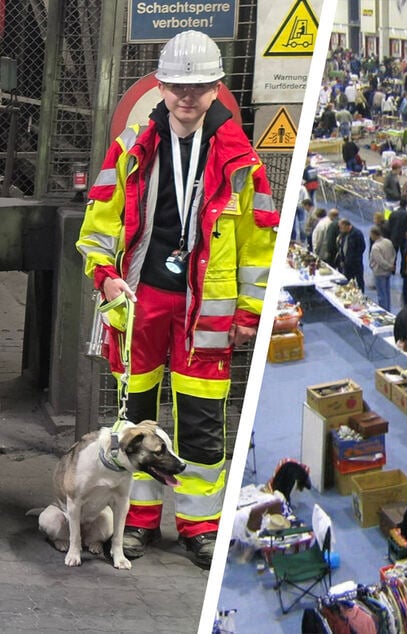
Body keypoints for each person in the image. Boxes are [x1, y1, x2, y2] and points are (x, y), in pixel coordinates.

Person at [75, 31, 278, 568]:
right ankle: (134, 523)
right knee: (136, 418)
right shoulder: (130, 151)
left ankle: (199, 527)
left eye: (200, 86)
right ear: (161, 87)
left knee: (204, 422)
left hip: (204, 314)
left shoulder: (242, 163)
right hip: (140, 303)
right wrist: (106, 279)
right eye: (178, 86)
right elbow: (98, 227)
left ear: (217, 88)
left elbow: (260, 246)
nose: (187, 97)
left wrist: (250, 312)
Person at [368, 225, 396, 311]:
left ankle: (384, 312)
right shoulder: (388, 242)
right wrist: (391, 266)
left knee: (381, 295)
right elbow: (393, 254)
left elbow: (380, 261)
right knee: (387, 293)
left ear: (374, 234)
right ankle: (388, 310)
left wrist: (387, 266)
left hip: (380, 272)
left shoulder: (375, 247)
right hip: (388, 272)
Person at [336, 218, 366, 292]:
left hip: (356, 264)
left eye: (341, 227)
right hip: (347, 264)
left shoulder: (357, 234)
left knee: (359, 282)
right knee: (347, 282)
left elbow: (362, 247)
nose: (340, 229)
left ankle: (361, 296)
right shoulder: (344, 234)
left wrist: (354, 258)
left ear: (346, 226)